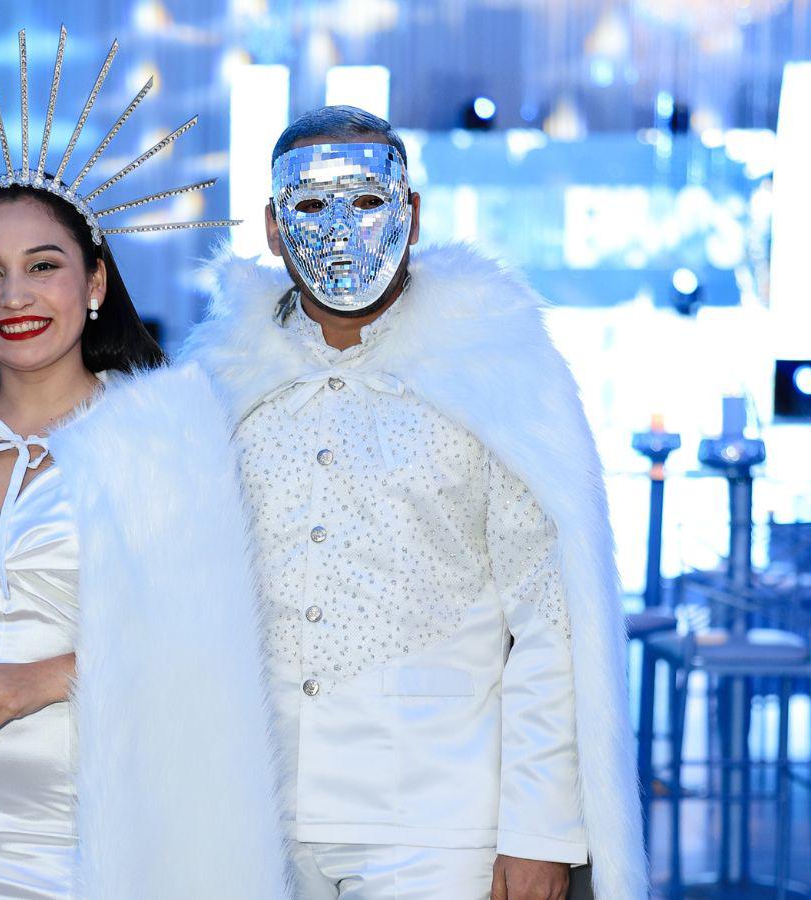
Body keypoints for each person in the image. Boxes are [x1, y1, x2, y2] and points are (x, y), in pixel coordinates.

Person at [0, 27, 287, 898]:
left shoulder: (165, 437)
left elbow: (206, 641)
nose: (14, 295)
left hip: (99, 835)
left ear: (95, 281)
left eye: (44, 266)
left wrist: (46, 678)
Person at [183, 105, 646, 899]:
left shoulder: (491, 367)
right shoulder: (218, 383)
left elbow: (550, 615)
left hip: (437, 821)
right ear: (268, 225)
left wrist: (539, 834)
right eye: (308, 205)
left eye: (366, 201)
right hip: (251, 814)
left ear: (413, 213)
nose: (339, 228)